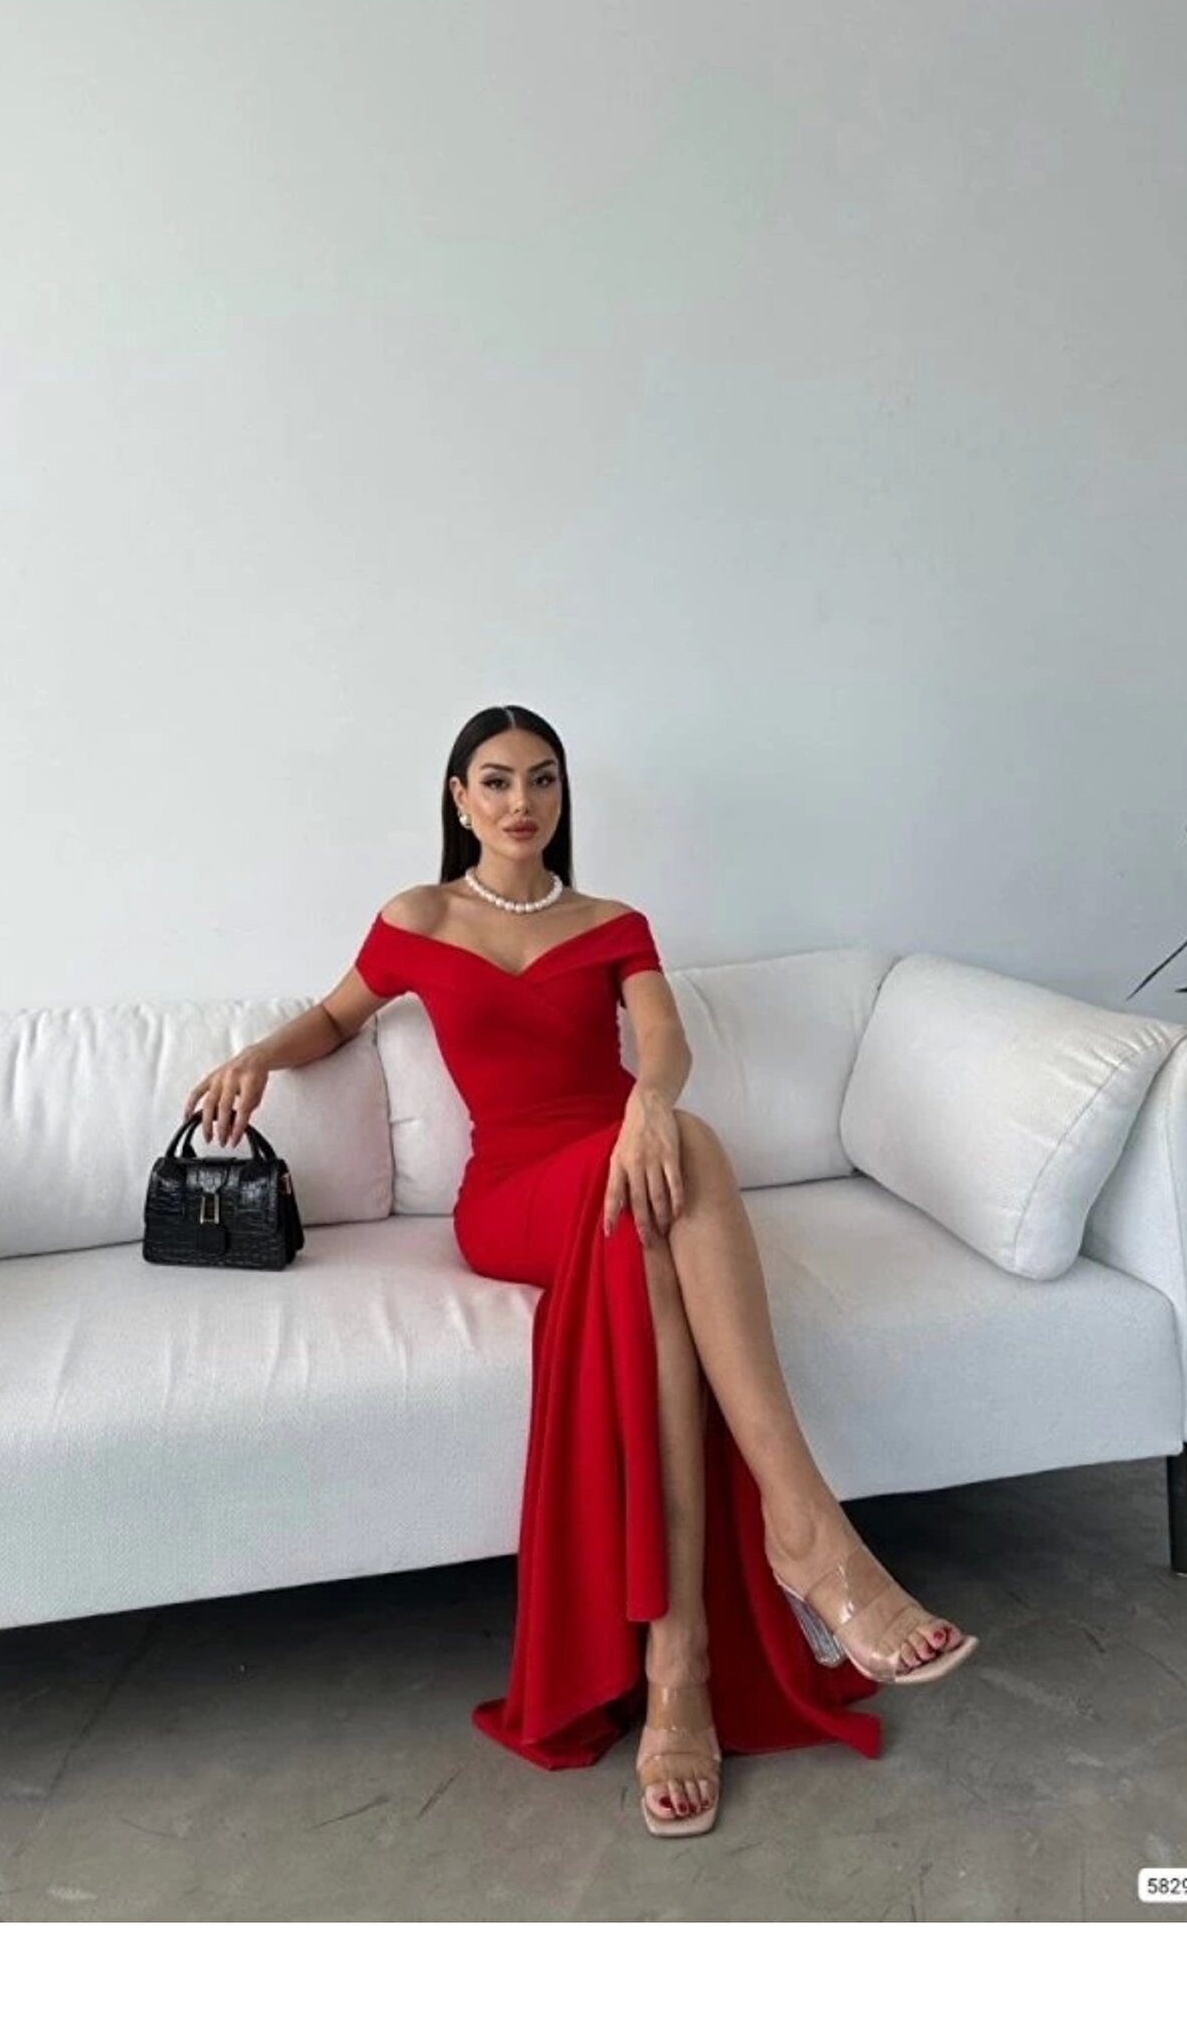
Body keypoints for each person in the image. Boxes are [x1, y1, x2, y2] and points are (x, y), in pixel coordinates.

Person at [185, 702, 977, 1842]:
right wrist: (257, 1058)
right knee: (679, 1163)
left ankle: (681, 1671)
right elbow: (333, 1018)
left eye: (544, 780)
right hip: (513, 1194)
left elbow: (666, 1042)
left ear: (563, 797)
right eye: (498, 780)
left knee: (661, 1214)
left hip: (629, 1171)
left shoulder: (611, 923)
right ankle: (806, 1533)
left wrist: (649, 1102)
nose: (523, 802)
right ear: (460, 799)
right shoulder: (417, 918)